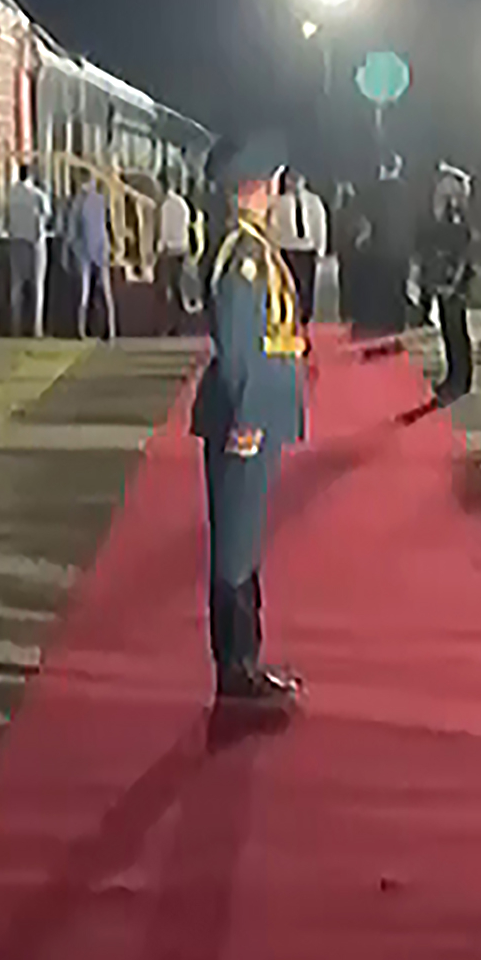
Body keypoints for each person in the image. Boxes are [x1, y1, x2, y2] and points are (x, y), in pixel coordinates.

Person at [196, 135, 307, 706]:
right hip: (246, 414)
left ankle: (247, 662)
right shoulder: (243, 254)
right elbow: (238, 346)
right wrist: (243, 417)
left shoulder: (252, 244)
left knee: (245, 541)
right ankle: (235, 676)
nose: (281, 189)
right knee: (235, 545)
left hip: (258, 409)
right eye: (277, 180)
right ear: (258, 186)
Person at [421, 168, 479, 400]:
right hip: (443, 276)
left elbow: (461, 250)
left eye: (445, 184)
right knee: (448, 327)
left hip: (454, 278)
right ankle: (454, 375)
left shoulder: (456, 214)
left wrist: (454, 280)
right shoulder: (443, 211)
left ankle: (460, 379)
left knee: (456, 329)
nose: (440, 188)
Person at [62, 165, 115, 339]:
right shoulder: (100, 200)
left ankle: (81, 330)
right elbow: (107, 226)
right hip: (100, 249)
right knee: (104, 292)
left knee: (83, 293)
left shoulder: (78, 202)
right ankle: (109, 329)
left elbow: (71, 231)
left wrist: (68, 251)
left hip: (84, 250)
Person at [1, 162, 52, 337]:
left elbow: (5, 218)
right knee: (37, 286)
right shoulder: (37, 195)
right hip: (34, 243)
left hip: (15, 242)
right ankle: (36, 328)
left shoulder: (11, 195)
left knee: (17, 287)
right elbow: (47, 215)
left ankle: (15, 326)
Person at [274, 168, 327, 326]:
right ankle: (289, 316)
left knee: (307, 285)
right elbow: (274, 227)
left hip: (307, 248)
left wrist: (320, 248)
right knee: (289, 285)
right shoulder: (279, 203)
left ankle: (306, 315)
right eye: (291, 179)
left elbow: (319, 224)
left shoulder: (313, 201)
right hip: (287, 248)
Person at [152, 173, 199, 320]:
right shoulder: (181, 204)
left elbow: (164, 229)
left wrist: (160, 247)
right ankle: (182, 312)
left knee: (169, 283)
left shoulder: (165, 206)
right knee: (179, 281)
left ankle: (171, 315)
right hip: (182, 247)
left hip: (170, 249)